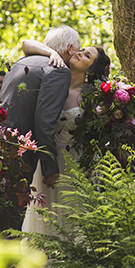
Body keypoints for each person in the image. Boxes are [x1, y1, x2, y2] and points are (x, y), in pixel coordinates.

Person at [20, 39, 110, 237]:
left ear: (91, 71)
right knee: (45, 220)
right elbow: (26, 44)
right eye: (82, 50)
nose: (79, 53)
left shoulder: (93, 97)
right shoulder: (54, 77)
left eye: (87, 56)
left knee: (73, 220)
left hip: (76, 166)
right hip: (47, 161)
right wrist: (52, 53)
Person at [0, 26, 80, 230]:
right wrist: (50, 166)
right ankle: (8, 262)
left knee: (0, 214)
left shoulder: (23, 62)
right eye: (77, 50)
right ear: (70, 48)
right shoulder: (60, 71)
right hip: (20, 151)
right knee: (13, 217)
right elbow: (45, 121)